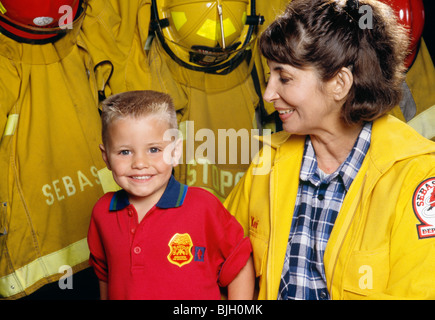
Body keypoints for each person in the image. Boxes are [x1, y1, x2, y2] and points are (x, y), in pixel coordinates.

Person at [224, 0, 435, 300]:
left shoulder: (417, 176)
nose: (269, 94)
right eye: (270, 76)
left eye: (284, 78)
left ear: (339, 83)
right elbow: (214, 254)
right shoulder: (267, 162)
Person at [87, 90, 254, 300]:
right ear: (106, 157)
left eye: (154, 149)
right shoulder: (102, 212)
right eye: (125, 152)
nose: (139, 163)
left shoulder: (203, 206)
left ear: (175, 153)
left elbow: (239, 263)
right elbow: (105, 277)